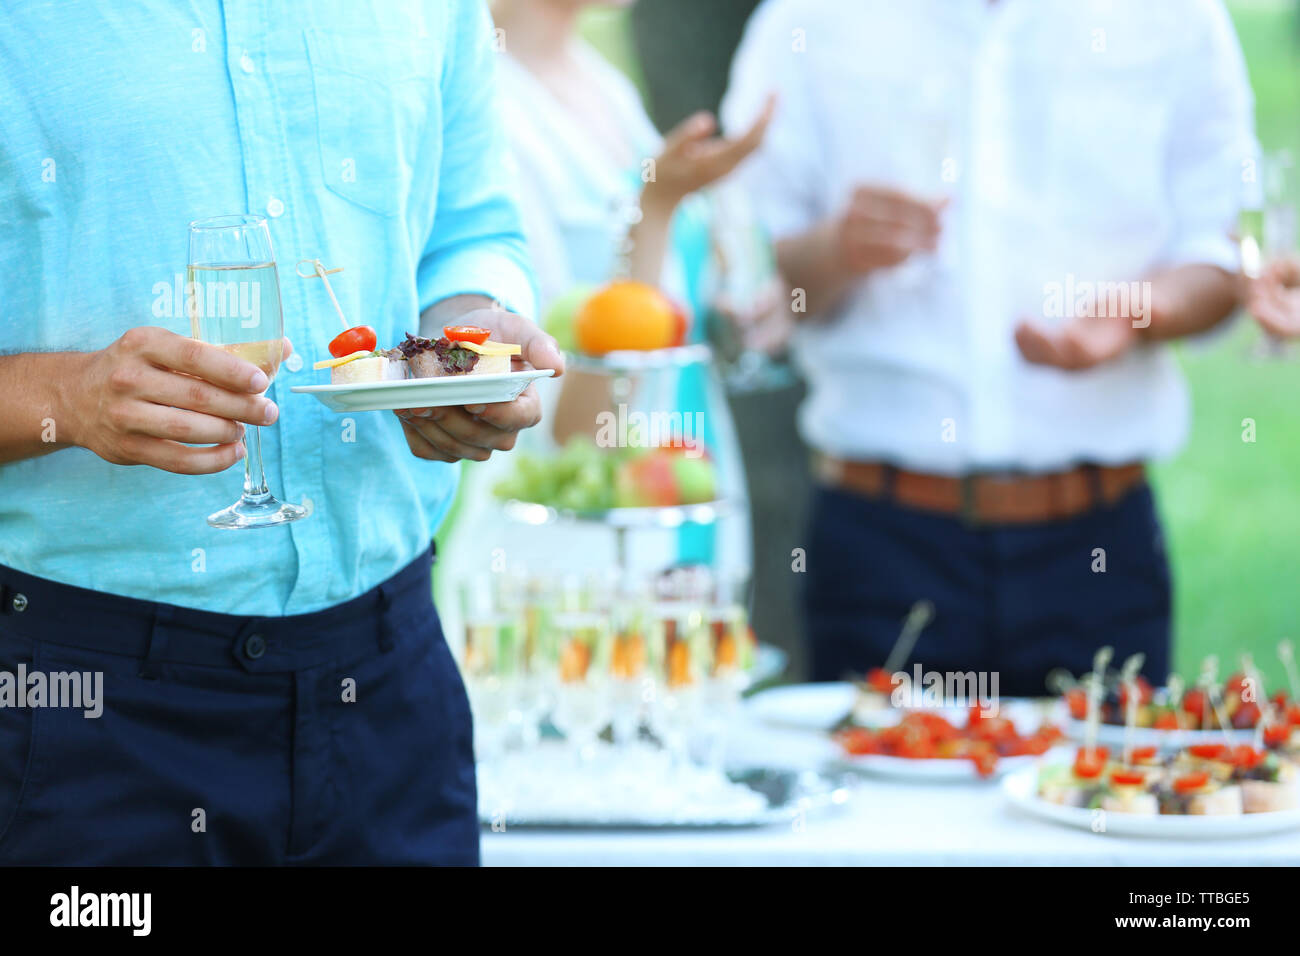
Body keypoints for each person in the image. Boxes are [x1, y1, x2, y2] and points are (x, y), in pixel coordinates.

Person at [0, 1, 561, 865]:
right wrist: (61, 397)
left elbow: (469, 227)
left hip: (391, 687)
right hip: (82, 706)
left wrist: (470, 340)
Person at [722, 0, 1255, 693]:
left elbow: (1217, 255)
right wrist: (834, 252)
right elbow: (742, 281)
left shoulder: (1176, 16)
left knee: (1103, 789)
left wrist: (1140, 312)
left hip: (1098, 545)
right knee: (885, 800)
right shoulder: (810, 19)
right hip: (884, 543)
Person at [441, 0, 771, 601]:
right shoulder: (485, 101)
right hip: (569, 576)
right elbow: (563, 418)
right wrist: (655, 213)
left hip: (676, 533)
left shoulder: (600, 83)